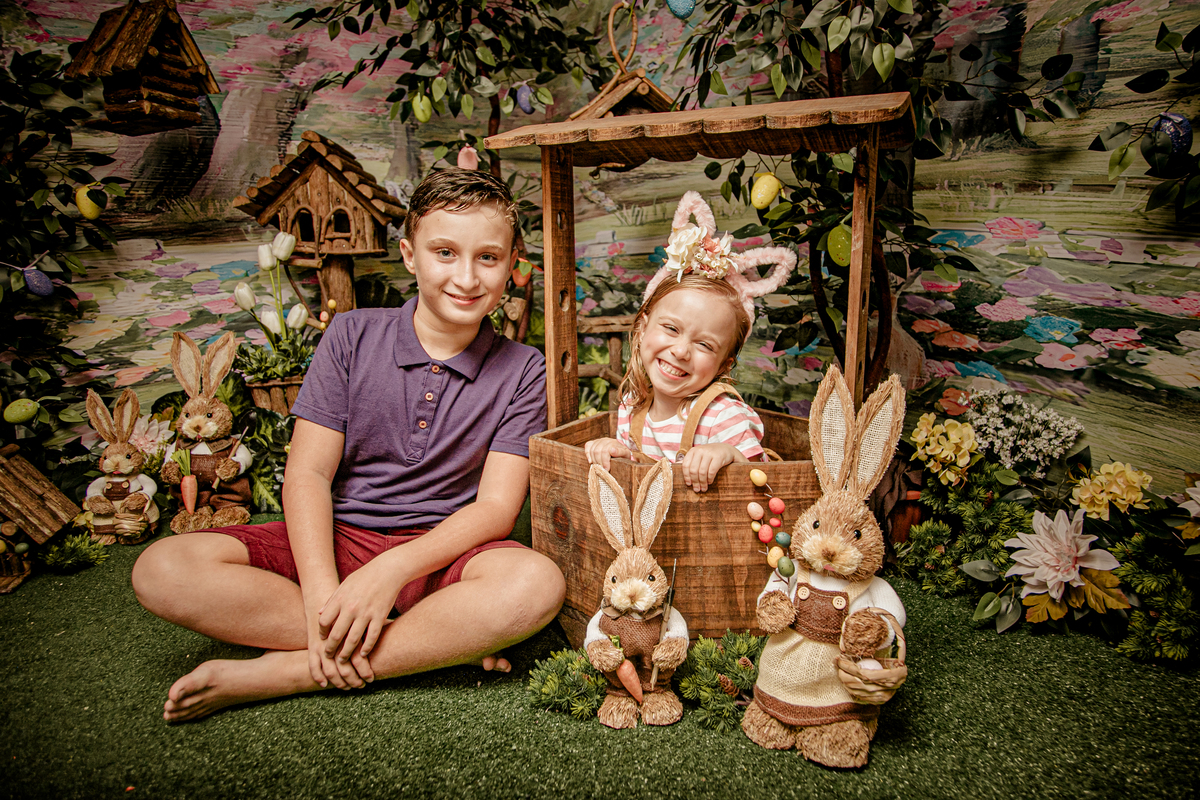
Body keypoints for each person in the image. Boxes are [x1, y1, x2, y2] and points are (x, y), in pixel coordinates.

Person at [132, 168, 564, 722]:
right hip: (336, 540)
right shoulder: (352, 334)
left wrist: (389, 573)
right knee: (163, 569)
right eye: (445, 253)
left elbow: (496, 510)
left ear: (511, 264)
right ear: (410, 255)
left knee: (534, 584)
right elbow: (307, 475)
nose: (466, 276)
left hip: (442, 555)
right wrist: (321, 596)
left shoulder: (525, 369)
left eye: (488, 257)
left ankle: (291, 672)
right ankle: (423, 643)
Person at [584, 190, 797, 492]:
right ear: (643, 328)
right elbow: (638, 479)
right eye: (671, 328)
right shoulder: (632, 406)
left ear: (725, 363)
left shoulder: (722, 416)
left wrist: (729, 455)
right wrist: (619, 454)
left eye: (704, 345)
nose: (681, 350)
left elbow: (762, 482)